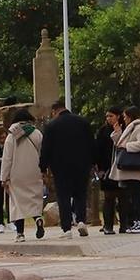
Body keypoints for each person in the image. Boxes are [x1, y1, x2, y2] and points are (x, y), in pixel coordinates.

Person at [39, 99, 95, 238]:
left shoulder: (52, 126)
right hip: (82, 165)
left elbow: (46, 148)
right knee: (80, 194)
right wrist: (93, 162)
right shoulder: (83, 122)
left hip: (61, 167)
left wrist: (43, 167)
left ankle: (67, 228)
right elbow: (91, 144)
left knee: (63, 196)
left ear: (54, 111)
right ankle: (81, 220)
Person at [1, 109, 47, 241]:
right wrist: (43, 170)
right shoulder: (37, 133)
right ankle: (38, 218)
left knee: (17, 204)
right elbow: (42, 153)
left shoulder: (11, 136)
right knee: (34, 200)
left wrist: (4, 177)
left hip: (16, 173)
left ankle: (20, 234)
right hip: (34, 171)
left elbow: (7, 158)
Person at [111, 106, 140, 232]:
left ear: (130, 116)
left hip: (135, 167)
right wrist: (118, 133)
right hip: (129, 168)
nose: (124, 119)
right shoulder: (131, 128)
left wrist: (127, 145)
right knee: (132, 195)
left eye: (125, 117)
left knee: (137, 194)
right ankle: (137, 220)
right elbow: (119, 143)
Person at [93, 109, 121, 233]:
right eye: (107, 116)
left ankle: (125, 224)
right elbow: (98, 150)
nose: (109, 118)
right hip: (107, 168)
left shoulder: (124, 129)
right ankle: (108, 225)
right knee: (109, 197)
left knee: (123, 197)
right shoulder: (103, 131)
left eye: (111, 116)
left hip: (121, 167)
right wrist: (99, 168)